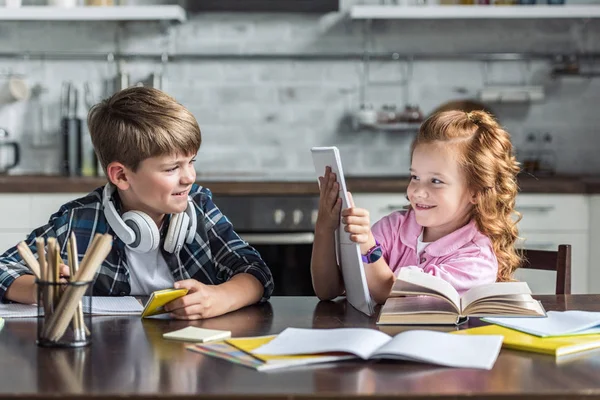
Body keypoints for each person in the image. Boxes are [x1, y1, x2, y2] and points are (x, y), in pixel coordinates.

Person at [0, 86, 273, 319]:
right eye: (171, 168)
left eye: (191, 162)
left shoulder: (199, 206)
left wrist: (220, 297)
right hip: (109, 361)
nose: (189, 177)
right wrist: (40, 289)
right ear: (121, 175)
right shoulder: (79, 219)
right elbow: (4, 268)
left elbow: (255, 271)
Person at [311, 110, 521, 304]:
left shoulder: (476, 261)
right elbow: (329, 290)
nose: (418, 191)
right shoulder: (394, 227)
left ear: (475, 192)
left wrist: (368, 245)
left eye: (436, 181)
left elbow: (390, 293)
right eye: (415, 177)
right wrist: (325, 228)